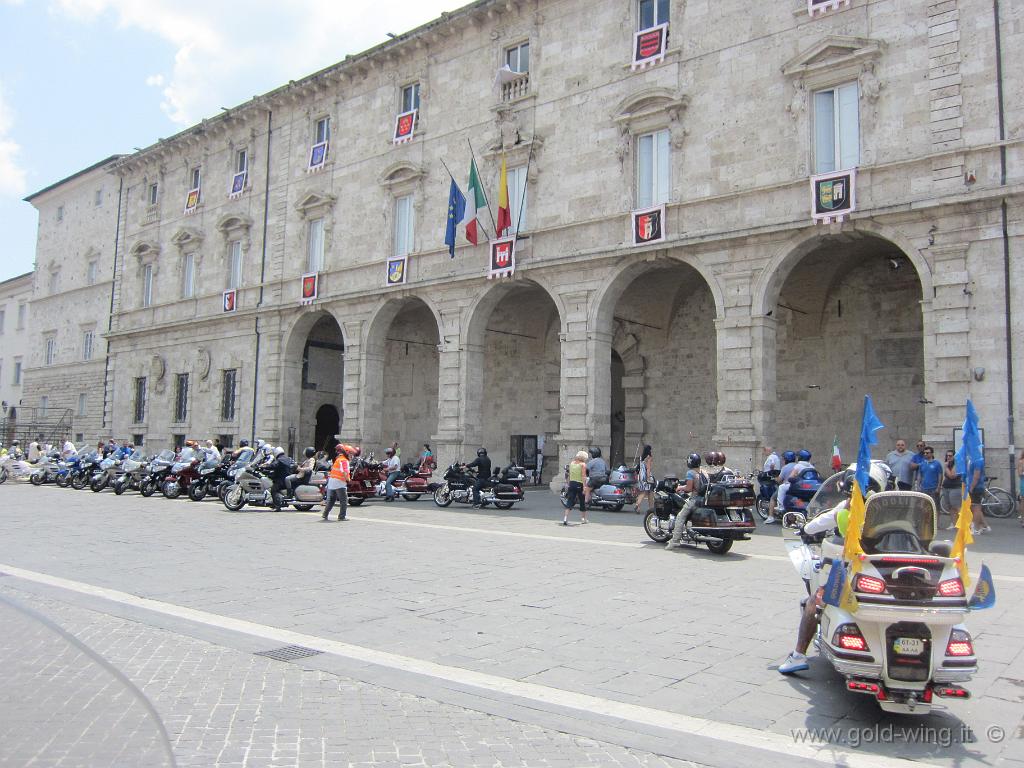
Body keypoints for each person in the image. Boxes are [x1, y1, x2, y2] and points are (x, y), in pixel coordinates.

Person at [778, 463, 888, 675]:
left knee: (814, 600)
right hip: (880, 573)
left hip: (851, 572)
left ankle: (799, 654)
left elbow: (817, 525)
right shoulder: (885, 510)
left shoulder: (847, 509)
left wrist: (804, 529)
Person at [666, 453, 708, 549]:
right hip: (704, 499)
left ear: (690, 462)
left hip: (695, 500)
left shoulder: (690, 473)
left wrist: (679, 487)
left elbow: (689, 488)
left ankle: (675, 541)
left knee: (680, 516)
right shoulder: (704, 471)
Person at [775, 449, 814, 519]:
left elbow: (791, 477)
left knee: (781, 487)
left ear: (800, 457)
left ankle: (780, 506)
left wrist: (788, 481)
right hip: (809, 487)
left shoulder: (798, 466)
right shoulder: (811, 467)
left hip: (799, 486)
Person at [766, 450, 797, 523]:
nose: (782, 461)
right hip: (797, 488)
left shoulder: (785, 467)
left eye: (783, 459)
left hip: (787, 488)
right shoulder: (797, 466)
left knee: (773, 498)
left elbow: (779, 480)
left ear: (786, 459)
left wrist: (774, 478)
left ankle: (771, 517)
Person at [323, 445, 350, 521]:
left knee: (332, 499)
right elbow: (344, 471)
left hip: (332, 481)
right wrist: (348, 480)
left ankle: (325, 514)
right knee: (344, 500)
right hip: (339, 482)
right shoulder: (344, 460)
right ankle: (342, 516)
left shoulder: (338, 459)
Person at [966, 453, 991, 534]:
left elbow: (976, 475)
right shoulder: (973, 459)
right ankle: (983, 526)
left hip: (976, 487)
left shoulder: (977, 461)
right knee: (973, 508)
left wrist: (971, 487)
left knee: (976, 508)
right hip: (973, 486)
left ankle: (976, 529)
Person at [563, 451, 589, 525]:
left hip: (572, 483)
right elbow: (583, 476)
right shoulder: (583, 465)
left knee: (570, 501)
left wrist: (568, 483)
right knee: (582, 501)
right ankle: (583, 518)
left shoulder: (572, 463)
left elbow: (569, 474)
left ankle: (565, 518)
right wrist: (584, 486)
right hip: (579, 484)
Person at [940, 450, 962, 530]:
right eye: (947, 456)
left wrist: (946, 467)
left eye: (950, 456)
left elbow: (952, 475)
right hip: (946, 487)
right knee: (950, 507)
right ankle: (954, 523)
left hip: (955, 488)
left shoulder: (957, 464)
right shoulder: (948, 464)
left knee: (957, 506)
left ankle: (962, 523)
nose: (948, 457)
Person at [634, 445, 655, 515]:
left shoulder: (641, 458)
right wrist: (649, 478)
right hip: (646, 476)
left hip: (641, 476)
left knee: (645, 492)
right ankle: (651, 508)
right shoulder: (649, 458)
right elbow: (648, 468)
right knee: (649, 492)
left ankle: (638, 504)